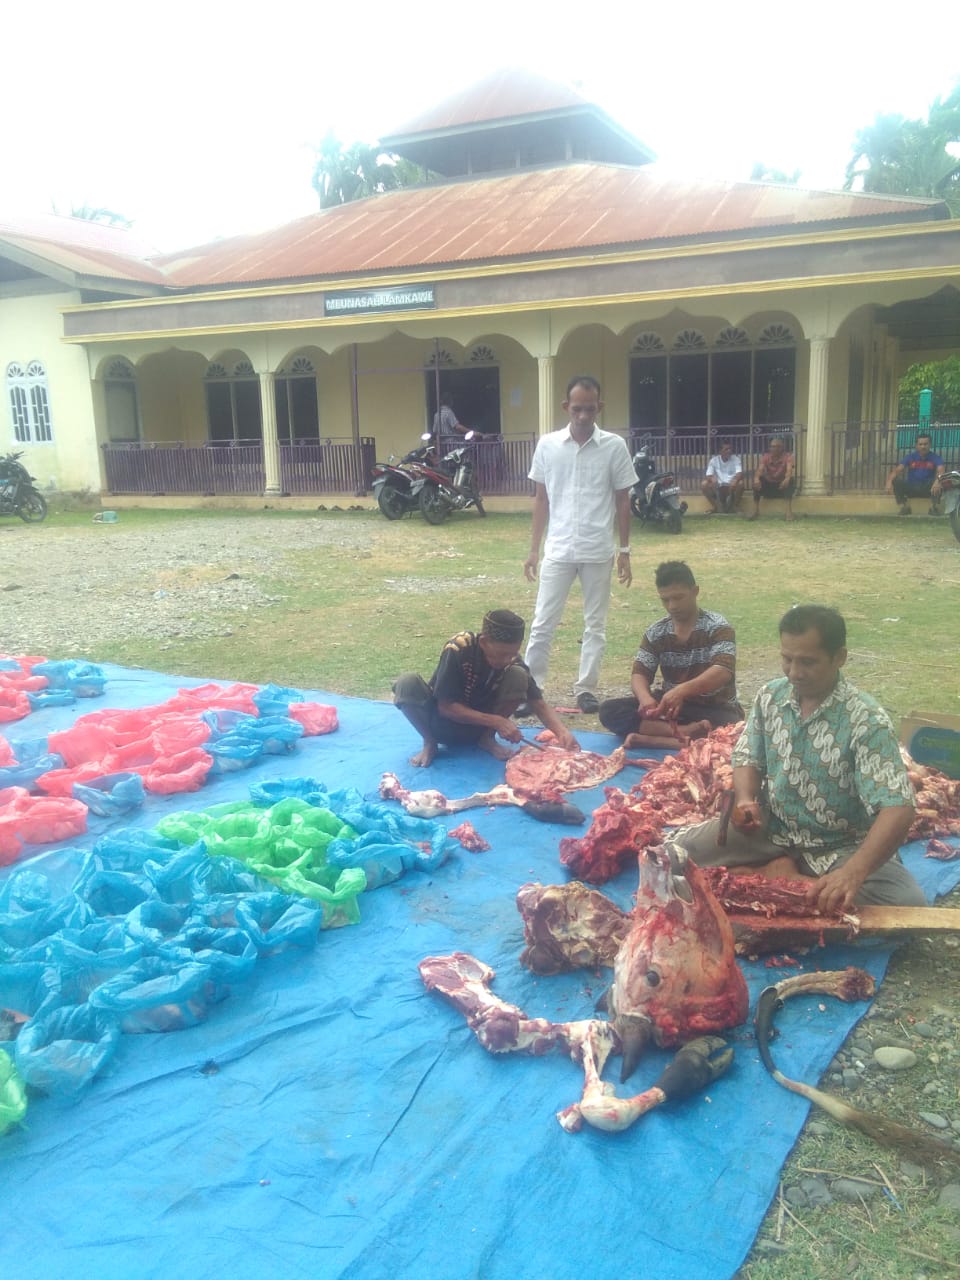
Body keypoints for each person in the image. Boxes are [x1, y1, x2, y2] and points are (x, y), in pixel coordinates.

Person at [667, 605, 925, 913]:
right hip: (771, 829)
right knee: (671, 853)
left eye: (807, 662)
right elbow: (748, 753)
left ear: (839, 657)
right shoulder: (770, 697)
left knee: (905, 904)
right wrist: (746, 799)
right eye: (787, 659)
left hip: (838, 846)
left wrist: (852, 873)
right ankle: (780, 873)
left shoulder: (866, 720)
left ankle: (775, 875)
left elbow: (898, 807)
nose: (794, 672)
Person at [523, 375, 637, 715]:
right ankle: (533, 689)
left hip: (598, 549)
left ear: (599, 407)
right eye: (577, 409)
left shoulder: (614, 447)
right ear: (565, 407)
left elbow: (623, 501)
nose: (584, 416)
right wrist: (533, 549)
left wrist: (626, 551)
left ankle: (586, 688)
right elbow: (541, 500)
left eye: (590, 409)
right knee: (543, 621)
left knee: (595, 624)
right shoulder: (548, 445)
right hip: (557, 550)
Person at [393, 608, 580, 768]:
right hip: (439, 724)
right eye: (502, 654)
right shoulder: (459, 648)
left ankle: (487, 740)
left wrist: (562, 732)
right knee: (406, 682)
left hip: (478, 729)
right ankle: (429, 742)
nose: (507, 660)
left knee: (518, 675)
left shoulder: (512, 661)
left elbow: (538, 702)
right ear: (483, 642)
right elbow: (446, 707)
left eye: (512, 653)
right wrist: (497, 721)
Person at [598, 560, 743, 747]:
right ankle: (683, 735)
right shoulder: (656, 632)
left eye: (678, 597)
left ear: (695, 591)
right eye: (665, 600)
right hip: (671, 709)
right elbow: (639, 673)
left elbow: (722, 671)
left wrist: (681, 691)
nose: (672, 605)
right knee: (610, 711)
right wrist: (646, 699)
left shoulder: (717, 627)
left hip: (713, 708)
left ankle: (657, 739)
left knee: (731, 725)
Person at [886, 432, 945, 515]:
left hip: (927, 489)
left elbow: (941, 471)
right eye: (920, 444)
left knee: (940, 480)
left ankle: (933, 508)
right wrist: (889, 481)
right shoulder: (910, 457)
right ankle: (905, 507)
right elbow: (897, 470)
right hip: (912, 488)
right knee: (896, 481)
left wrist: (937, 481)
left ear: (930, 445)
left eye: (925, 444)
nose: (923, 446)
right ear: (916, 445)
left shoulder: (935, 457)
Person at [748, 436, 796, 521]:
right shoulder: (766, 457)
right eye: (773, 446)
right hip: (769, 486)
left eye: (778, 446)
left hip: (782, 487)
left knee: (791, 480)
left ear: (782, 448)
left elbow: (789, 470)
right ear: (770, 448)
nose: (775, 449)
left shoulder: (788, 456)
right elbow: (760, 470)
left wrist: (787, 478)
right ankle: (755, 511)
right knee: (757, 481)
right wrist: (756, 479)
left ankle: (788, 512)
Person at [702, 440, 744, 513]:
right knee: (704, 484)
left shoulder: (736, 459)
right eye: (726, 449)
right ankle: (716, 507)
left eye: (730, 449)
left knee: (740, 483)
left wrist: (735, 480)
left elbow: (739, 474)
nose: (729, 451)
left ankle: (735, 507)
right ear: (720, 451)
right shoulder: (714, 460)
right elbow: (708, 475)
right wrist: (712, 479)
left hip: (731, 487)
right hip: (718, 487)